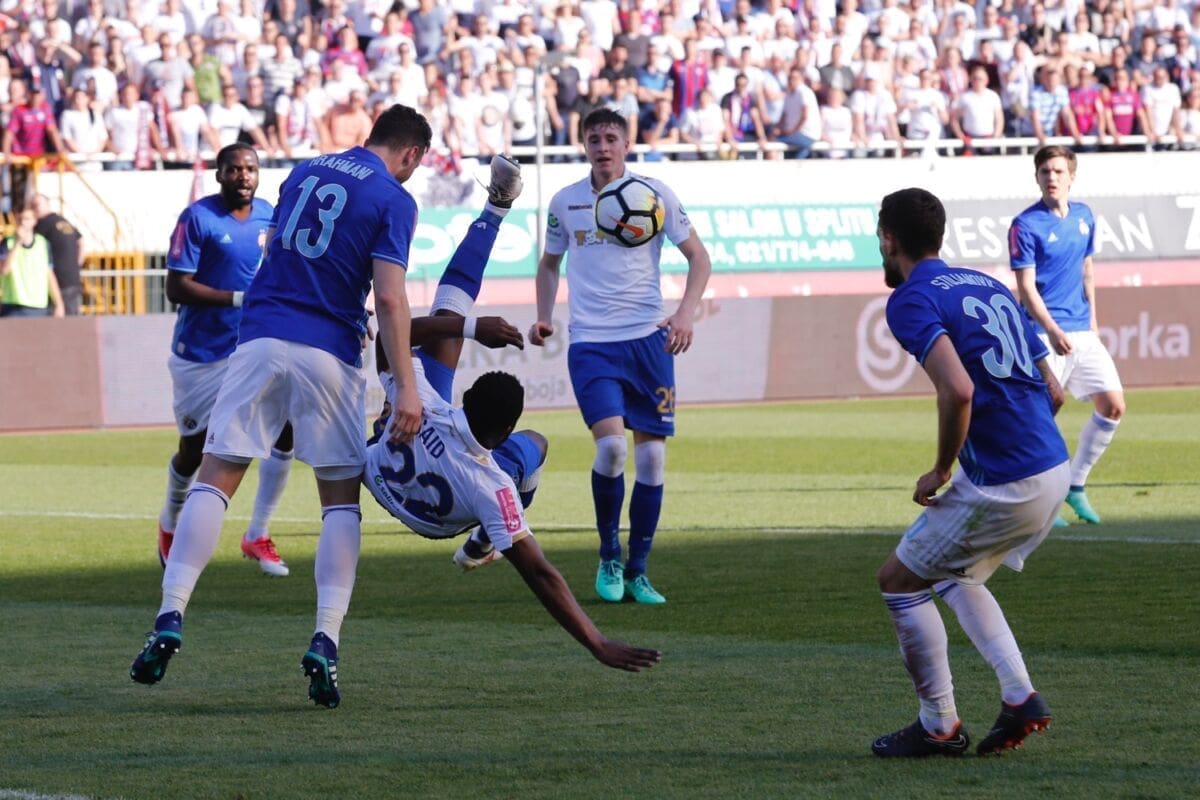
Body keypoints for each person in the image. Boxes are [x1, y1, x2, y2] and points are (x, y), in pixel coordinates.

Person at [130, 105, 432, 703]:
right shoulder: (396, 199)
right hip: (329, 347)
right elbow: (392, 300)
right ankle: (325, 639)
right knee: (339, 500)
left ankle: (170, 614)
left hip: (260, 336)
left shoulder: (302, 170)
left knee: (216, 476)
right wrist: (407, 387)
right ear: (412, 155)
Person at [356, 168, 660, 708]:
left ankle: (496, 206)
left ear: (465, 399)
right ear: (501, 434)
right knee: (538, 446)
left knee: (448, 320)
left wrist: (470, 330)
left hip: (378, 475)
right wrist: (598, 642)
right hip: (438, 520)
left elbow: (391, 336)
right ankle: (479, 546)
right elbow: (542, 574)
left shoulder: (424, 401)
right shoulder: (493, 483)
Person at [872, 186, 1070, 758]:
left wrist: (941, 468)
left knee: (898, 581)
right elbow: (1052, 390)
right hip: (1051, 466)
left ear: (890, 238)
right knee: (956, 576)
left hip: (1008, 480)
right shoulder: (986, 284)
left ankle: (939, 726)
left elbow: (957, 390)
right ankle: (1018, 696)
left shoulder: (911, 299)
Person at [530, 107, 712, 605]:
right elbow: (549, 265)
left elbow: (700, 257)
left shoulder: (654, 195)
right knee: (612, 449)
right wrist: (544, 315)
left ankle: (638, 570)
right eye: (594, 138)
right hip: (592, 343)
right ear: (583, 144)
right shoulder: (565, 202)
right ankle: (609, 555)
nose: (603, 146)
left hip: (648, 342)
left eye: (612, 137)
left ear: (626, 144)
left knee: (652, 459)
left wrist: (685, 315)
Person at [156, 142, 295, 575]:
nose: (243, 176)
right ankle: (169, 522)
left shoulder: (269, 214)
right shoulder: (198, 218)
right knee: (193, 451)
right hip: (200, 353)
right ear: (220, 174)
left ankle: (257, 533)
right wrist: (239, 297)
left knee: (285, 430)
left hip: (252, 345)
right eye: (234, 169)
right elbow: (176, 288)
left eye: (250, 169)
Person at [1009, 145, 1125, 526]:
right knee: (1042, 417)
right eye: (1045, 171)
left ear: (1071, 176)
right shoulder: (1025, 225)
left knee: (1113, 406)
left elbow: (1087, 269)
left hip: (1082, 331)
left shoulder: (1085, 216)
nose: (1052, 177)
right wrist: (1054, 330)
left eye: (1058, 171)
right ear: (1037, 177)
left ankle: (1075, 486)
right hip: (1045, 334)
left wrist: (1093, 319)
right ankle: (1042, 501)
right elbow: (1026, 288)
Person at [0, 205, 65, 318]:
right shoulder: (7, 243)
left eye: (27, 219)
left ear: (34, 221)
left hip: (38, 306)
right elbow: (4, 270)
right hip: (13, 306)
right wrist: (17, 243)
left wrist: (59, 304)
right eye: (20, 219)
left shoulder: (43, 243)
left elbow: (49, 275)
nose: (23, 223)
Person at [32, 194, 84, 316]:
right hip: (72, 278)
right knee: (72, 318)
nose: (34, 209)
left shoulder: (43, 224)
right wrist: (76, 264)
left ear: (47, 204)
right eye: (32, 206)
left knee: (56, 323)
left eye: (37, 205)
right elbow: (81, 241)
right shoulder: (62, 221)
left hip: (57, 280)